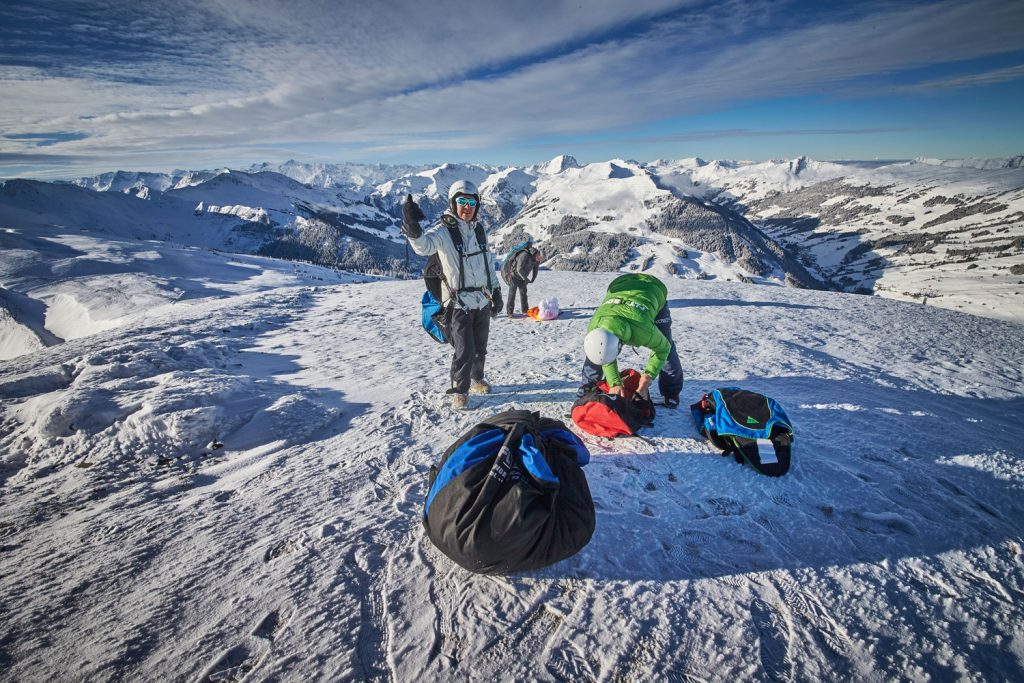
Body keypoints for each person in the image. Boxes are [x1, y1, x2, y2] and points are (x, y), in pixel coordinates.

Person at [402, 180, 502, 410]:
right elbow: (424, 247)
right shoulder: (444, 230)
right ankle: (461, 390)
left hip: (481, 300)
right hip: (457, 304)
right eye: (462, 201)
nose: (466, 207)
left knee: (480, 347)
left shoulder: (479, 230)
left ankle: (477, 379)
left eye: (471, 202)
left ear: (477, 205)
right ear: (453, 203)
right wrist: (412, 227)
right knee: (464, 350)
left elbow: (487, 264)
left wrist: (495, 291)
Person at [580, 273, 684, 408]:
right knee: (595, 353)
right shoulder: (595, 327)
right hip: (620, 284)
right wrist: (615, 383)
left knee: (667, 346)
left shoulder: (643, 331)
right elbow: (603, 353)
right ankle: (586, 393)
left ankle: (671, 392)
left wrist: (646, 379)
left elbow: (662, 348)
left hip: (653, 288)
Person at [505, 245, 543, 317]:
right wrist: (525, 278)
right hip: (514, 276)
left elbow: (535, 270)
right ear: (537, 254)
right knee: (512, 294)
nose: (539, 260)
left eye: (540, 259)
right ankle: (509, 313)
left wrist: (533, 279)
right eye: (539, 258)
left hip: (522, 277)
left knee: (524, 294)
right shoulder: (525, 255)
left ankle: (525, 311)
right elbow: (519, 269)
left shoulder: (536, 260)